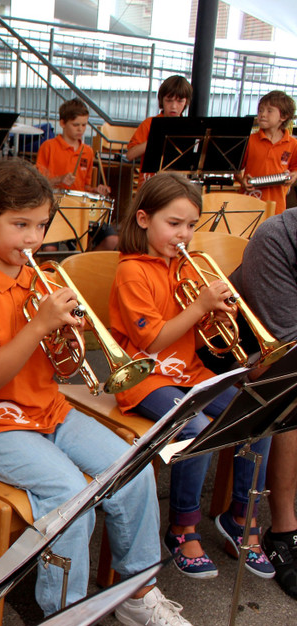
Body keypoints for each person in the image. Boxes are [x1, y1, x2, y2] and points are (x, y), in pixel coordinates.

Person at [0, 159, 206, 626]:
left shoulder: (43, 277)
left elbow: (63, 367)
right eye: (20, 225)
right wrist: (40, 325)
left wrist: (69, 337)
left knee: (132, 466)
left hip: (47, 410)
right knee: (69, 492)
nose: (32, 239)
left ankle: (138, 592)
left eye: (41, 226)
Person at [107, 172, 273, 582]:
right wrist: (199, 306)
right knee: (194, 426)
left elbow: (195, 339)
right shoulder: (132, 271)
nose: (183, 234)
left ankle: (243, 516)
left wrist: (216, 319)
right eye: (174, 223)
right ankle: (182, 526)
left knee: (258, 411)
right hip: (143, 378)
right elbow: (152, 339)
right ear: (143, 219)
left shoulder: (182, 266)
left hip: (186, 372)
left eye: (191, 225)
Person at [230, 205, 297, 598]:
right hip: (253, 353)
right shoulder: (277, 237)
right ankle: (284, 528)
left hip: (283, 346)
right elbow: (287, 348)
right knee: (290, 389)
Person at [35, 98, 117, 251]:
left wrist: (95, 190)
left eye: (84, 125)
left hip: (81, 209)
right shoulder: (49, 147)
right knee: (49, 249)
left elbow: (85, 186)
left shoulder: (88, 151)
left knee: (112, 240)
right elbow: (38, 183)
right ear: (62, 123)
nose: (80, 129)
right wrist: (59, 179)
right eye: (76, 125)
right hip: (54, 208)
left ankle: (85, 262)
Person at [237, 90, 297, 217]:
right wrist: (242, 180)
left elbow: (295, 169)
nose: (262, 115)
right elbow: (235, 169)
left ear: (284, 116)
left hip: (277, 207)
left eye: (269, 111)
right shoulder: (249, 140)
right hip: (248, 203)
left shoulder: (293, 144)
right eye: (260, 110)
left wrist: (293, 176)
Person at [125, 75, 192, 188]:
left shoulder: (189, 127)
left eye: (180, 101)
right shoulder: (149, 123)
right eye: (169, 100)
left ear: (186, 102)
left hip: (177, 185)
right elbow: (130, 155)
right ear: (161, 100)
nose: (174, 106)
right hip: (151, 186)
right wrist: (156, 140)